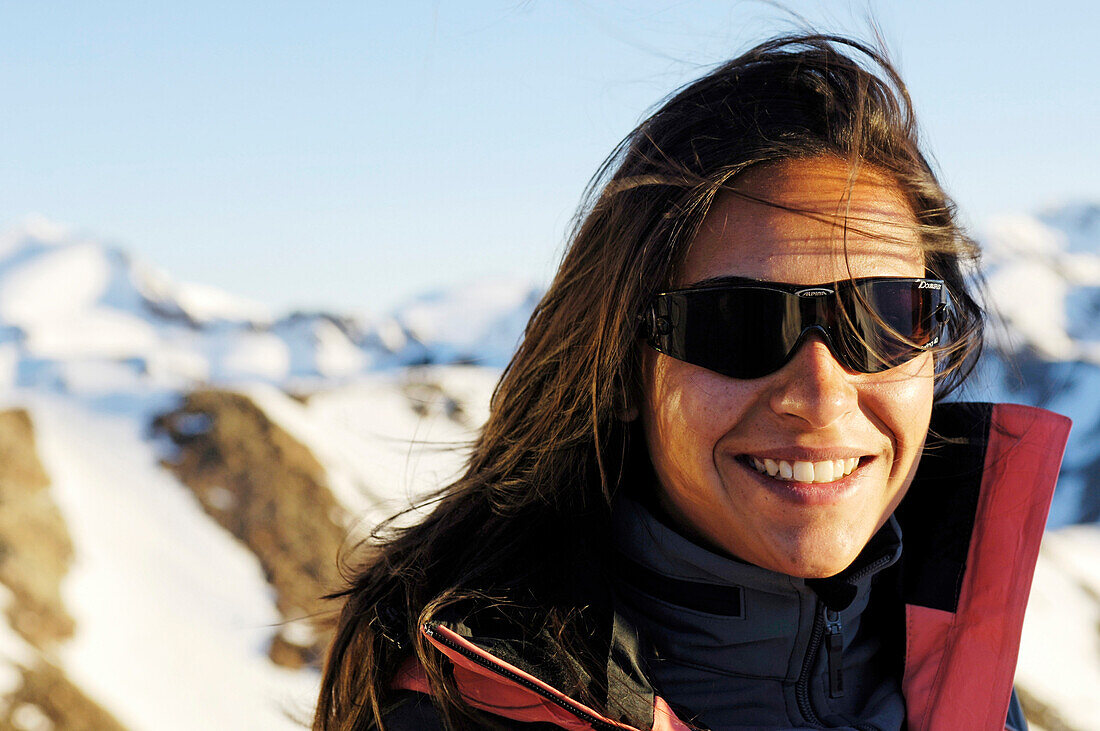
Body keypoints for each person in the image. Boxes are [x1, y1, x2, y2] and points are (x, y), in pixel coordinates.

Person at [313, 34, 1070, 731]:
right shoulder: (466, 715)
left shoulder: (959, 679)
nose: (820, 392)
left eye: (881, 318)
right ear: (624, 368)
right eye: (738, 324)